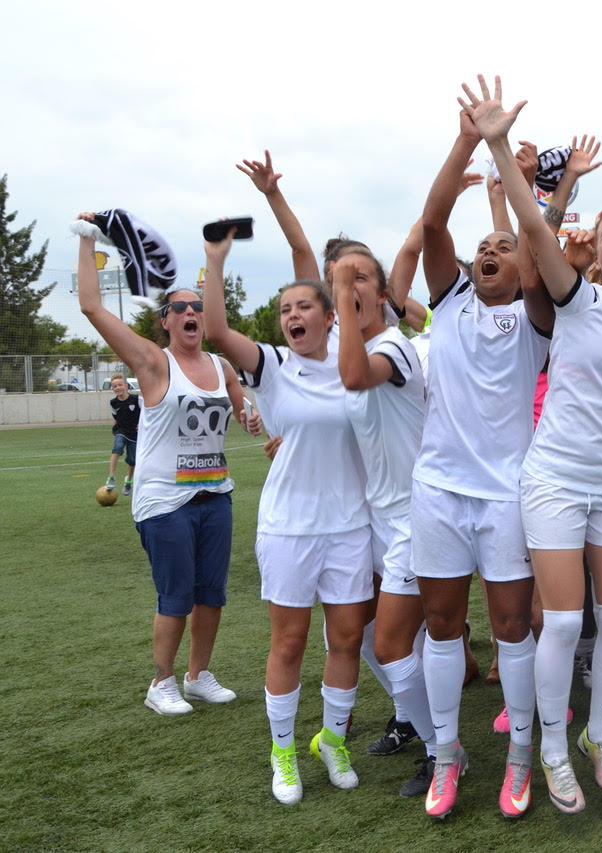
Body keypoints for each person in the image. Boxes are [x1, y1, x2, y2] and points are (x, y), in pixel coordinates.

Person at [461, 74, 602, 814]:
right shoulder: (577, 302)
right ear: (595, 254)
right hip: (553, 479)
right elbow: (533, 229)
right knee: (566, 620)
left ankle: (597, 737)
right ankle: (551, 747)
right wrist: (499, 149)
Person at [412, 105, 555, 820]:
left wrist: (505, 159)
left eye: (505, 246)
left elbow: (535, 235)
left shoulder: (537, 313)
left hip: (505, 493)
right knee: (441, 623)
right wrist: (464, 140)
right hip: (437, 490)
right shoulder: (448, 301)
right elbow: (433, 222)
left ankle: (522, 753)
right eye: (483, 248)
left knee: (511, 626)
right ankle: (448, 753)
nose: (491, 252)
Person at [203, 231, 372, 806]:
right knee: (290, 642)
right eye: (284, 310)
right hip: (288, 528)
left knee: (346, 639)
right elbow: (218, 332)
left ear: (330, 316)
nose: (292, 316)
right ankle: (283, 753)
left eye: (303, 306)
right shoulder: (273, 365)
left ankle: (333, 743)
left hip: (350, 526)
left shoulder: (354, 364)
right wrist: (216, 261)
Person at [75, 215, 248, 718]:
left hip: (215, 495)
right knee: (176, 596)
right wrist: (86, 239)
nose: (191, 312)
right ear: (166, 321)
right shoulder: (153, 362)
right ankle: (162, 682)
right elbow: (91, 306)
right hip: (164, 500)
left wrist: (254, 418)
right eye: (180, 308)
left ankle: (198, 676)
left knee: (211, 595)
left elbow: (244, 411)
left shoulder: (222, 366)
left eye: (197, 306)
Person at [329, 248, 437, 800]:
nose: (349, 286)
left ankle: (445, 751)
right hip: (375, 518)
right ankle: (412, 718)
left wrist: (342, 300)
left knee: (395, 643)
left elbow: (354, 377)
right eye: (340, 279)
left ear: (382, 292)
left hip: (416, 517)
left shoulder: (393, 346)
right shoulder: (352, 346)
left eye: (359, 277)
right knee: (363, 633)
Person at [104, 374, 139, 495]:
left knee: (132, 461)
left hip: (134, 434)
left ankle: (128, 481)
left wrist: (141, 425)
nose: (117, 388)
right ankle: (111, 478)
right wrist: (116, 431)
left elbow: (146, 413)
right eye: (115, 386)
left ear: (126, 386)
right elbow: (116, 418)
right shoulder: (113, 403)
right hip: (121, 431)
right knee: (117, 448)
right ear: (112, 389)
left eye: (120, 385)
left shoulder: (136, 399)